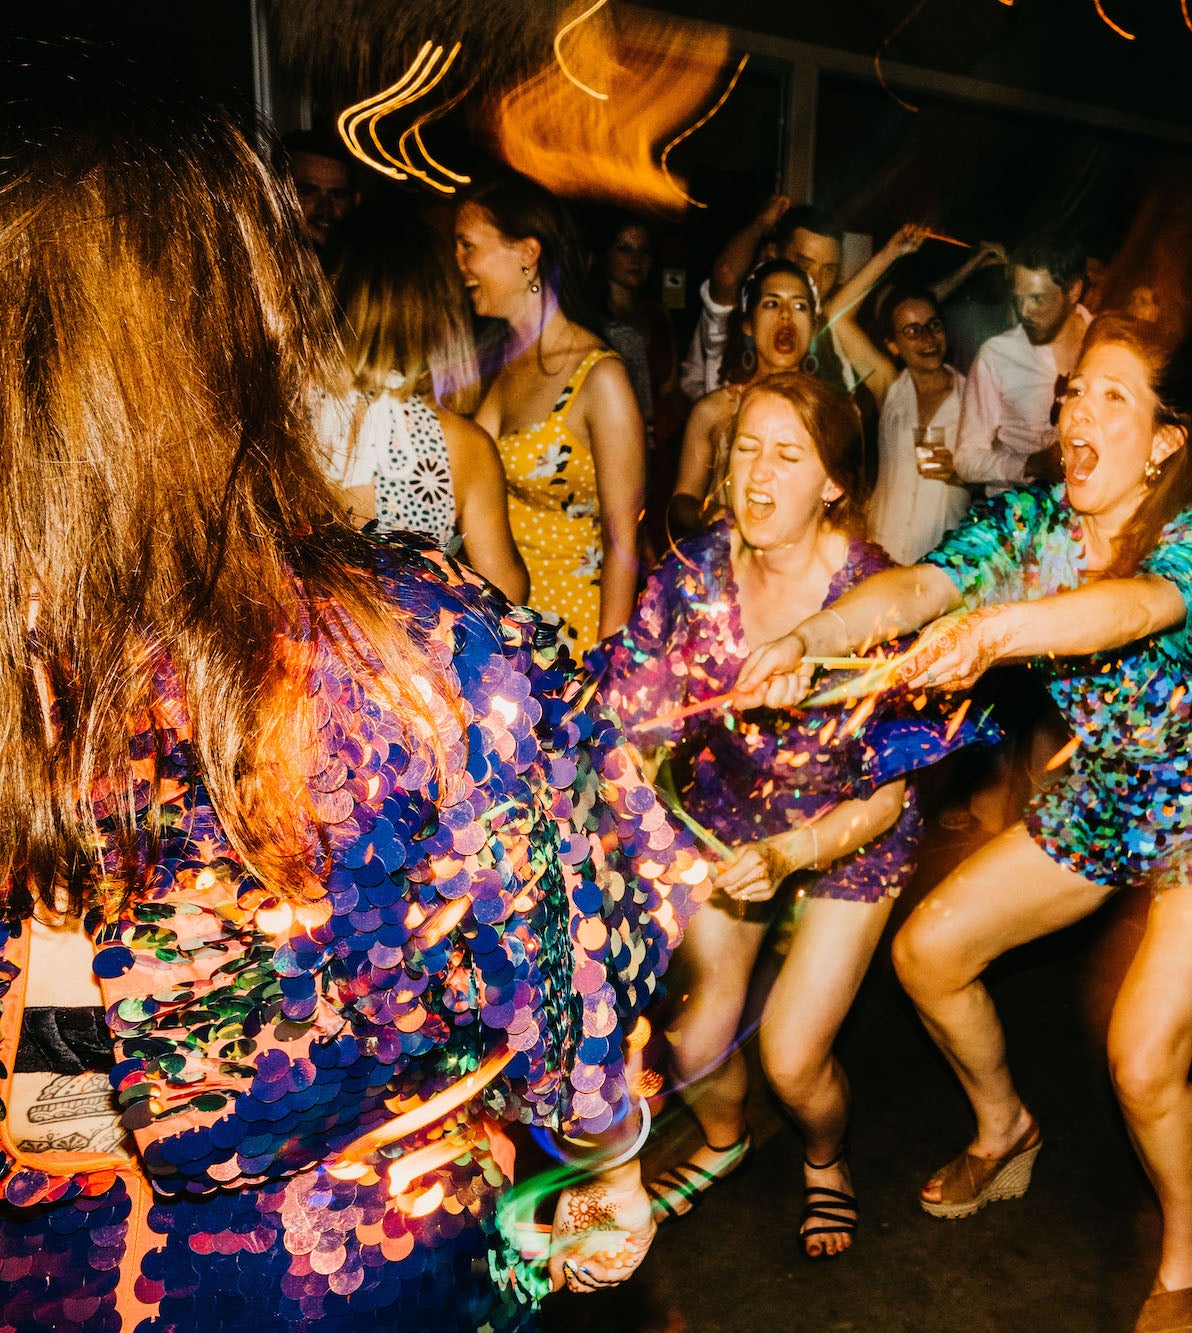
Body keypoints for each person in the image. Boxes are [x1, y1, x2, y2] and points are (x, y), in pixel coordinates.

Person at [0, 49, 697, 1327]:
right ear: (251, 318)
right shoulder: (406, 650)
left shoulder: (541, 411)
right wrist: (600, 1154)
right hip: (327, 1261)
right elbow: (557, 952)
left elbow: (619, 526)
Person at [736, 314, 1192, 1331]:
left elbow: (1127, 609)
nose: (1078, 410)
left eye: (1111, 396)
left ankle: (1186, 1241)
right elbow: (918, 586)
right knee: (929, 952)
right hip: (1104, 796)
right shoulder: (1033, 523)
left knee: (1141, 1059)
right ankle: (1007, 1127)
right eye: (1075, 391)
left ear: (1164, 439)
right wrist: (812, 635)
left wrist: (995, 631)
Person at [590, 372, 995, 1262]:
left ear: (835, 482)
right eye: (745, 449)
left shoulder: (875, 597)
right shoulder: (690, 573)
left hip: (850, 832)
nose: (758, 475)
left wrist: (794, 853)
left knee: (793, 1059)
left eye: (787, 454)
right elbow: (627, 706)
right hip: (730, 818)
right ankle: (728, 1140)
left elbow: (889, 794)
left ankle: (825, 1158)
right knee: (693, 1039)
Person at [456, 174, 647, 652]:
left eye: (468, 246)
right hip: (503, 631)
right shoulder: (495, 365)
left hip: (571, 637)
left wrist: (607, 669)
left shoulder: (598, 376)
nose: (459, 264)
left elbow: (623, 538)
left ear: (526, 253)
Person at [315, 205, 528, 601]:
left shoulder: (273, 419)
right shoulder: (463, 446)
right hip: (407, 661)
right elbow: (506, 597)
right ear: (440, 312)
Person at [820, 224, 984, 562]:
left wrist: (964, 474)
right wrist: (890, 253)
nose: (927, 337)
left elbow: (1005, 475)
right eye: (912, 330)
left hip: (942, 567)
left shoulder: (977, 395)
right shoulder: (890, 387)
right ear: (893, 346)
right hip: (878, 557)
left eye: (933, 325)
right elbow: (836, 316)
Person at [669, 259, 818, 532]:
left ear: (814, 326)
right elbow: (682, 500)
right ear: (748, 324)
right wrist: (711, 516)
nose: (786, 315)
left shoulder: (830, 413)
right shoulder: (714, 410)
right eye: (772, 304)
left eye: (800, 306)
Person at [949, 230, 1093, 491]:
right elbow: (966, 459)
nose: (1025, 312)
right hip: (1017, 521)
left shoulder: (1107, 348)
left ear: (1074, 290)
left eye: (1037, 298)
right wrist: (1027, 465)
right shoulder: (997, 355)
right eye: (1019, 300)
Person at [681, 198, 845, 402]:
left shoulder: (826, 329)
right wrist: (763, 223)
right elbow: (726, 273)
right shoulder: (745, 313)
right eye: (804, 264)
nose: (817, 281)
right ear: (774, 253)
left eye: (829, 269)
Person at [597, 215, 679, 437]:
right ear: (604, 254)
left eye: (644, 251)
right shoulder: (589, 318)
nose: (636, 259)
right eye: (624, 249)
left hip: (655, 441)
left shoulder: (658, 314)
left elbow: (669, 389)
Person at [277, 128, 357, 259]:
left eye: (337, 196)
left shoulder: (367, 275)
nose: (324, 208)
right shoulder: (254, 270)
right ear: (277, 194)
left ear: (355, 200)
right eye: (307, 193)